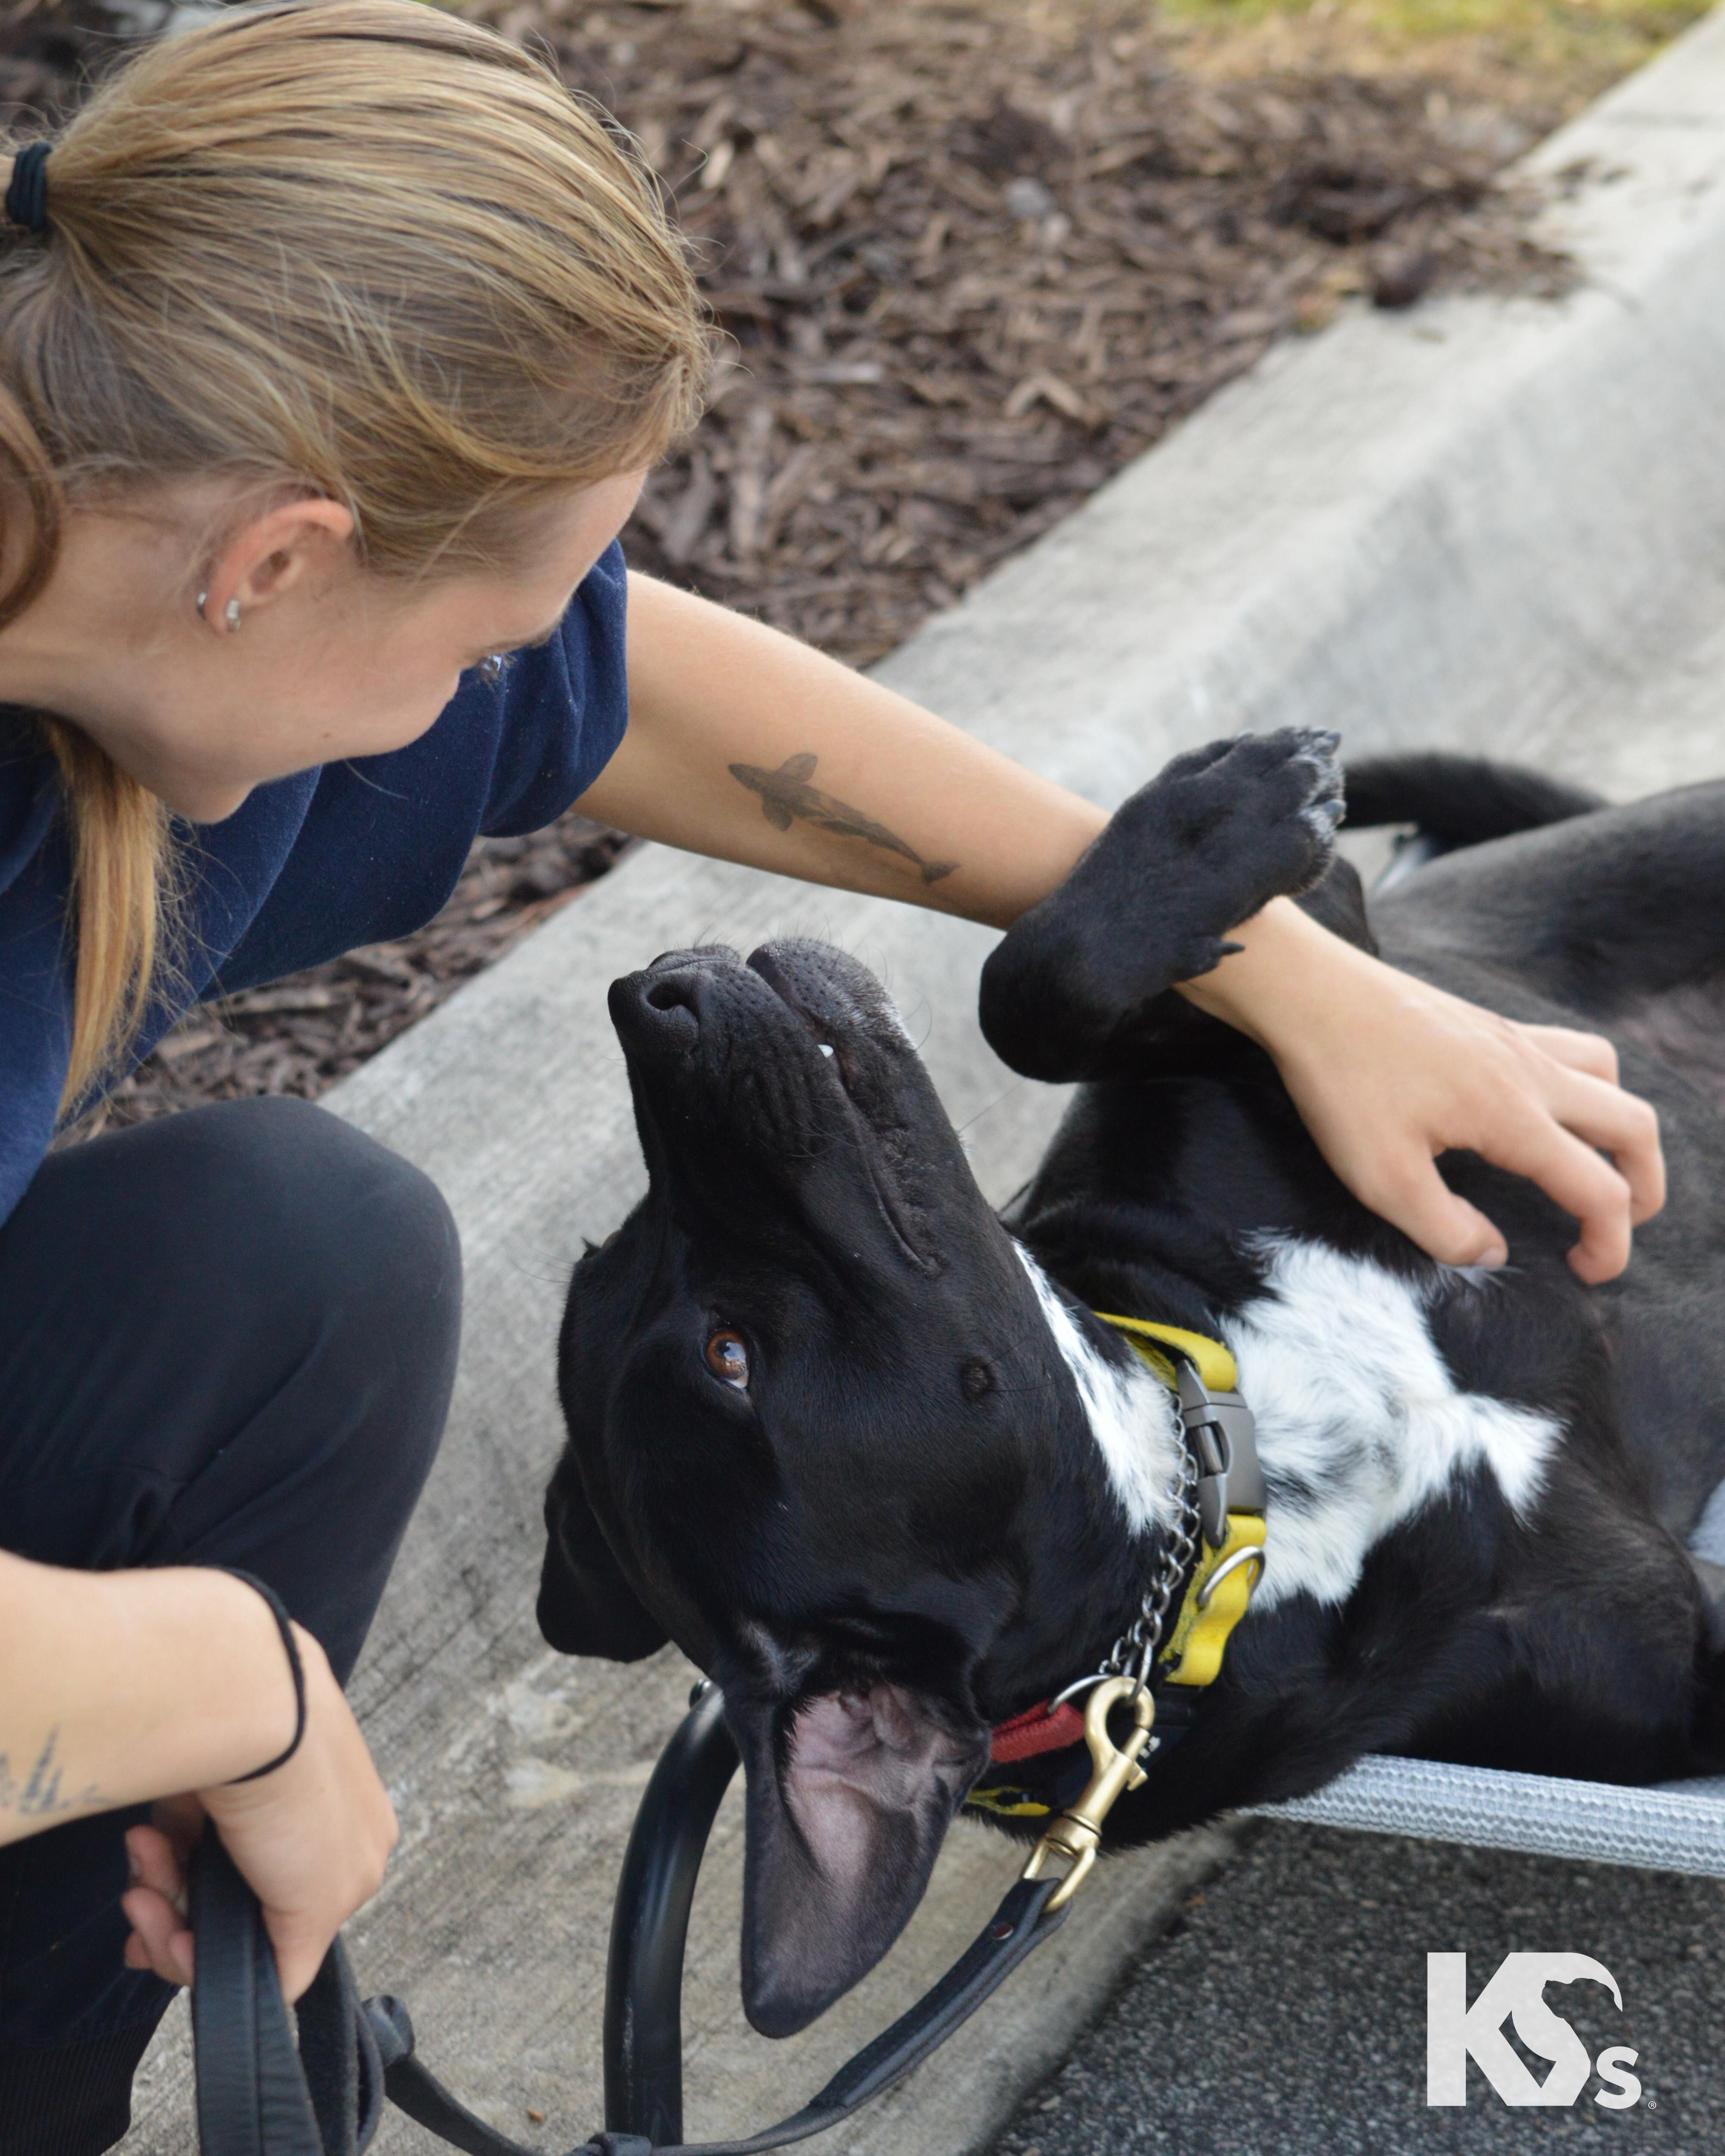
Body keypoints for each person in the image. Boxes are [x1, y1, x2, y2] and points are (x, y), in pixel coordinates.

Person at [0, 4, 1664, 2150]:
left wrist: (1273, 970)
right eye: (486, 632)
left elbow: (642, 702)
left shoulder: (122, 580)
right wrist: (238, 1691)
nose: (514, 680)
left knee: (295, 1262)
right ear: (274, 562)